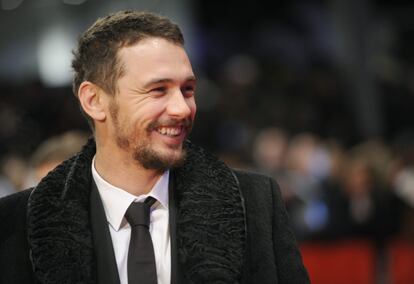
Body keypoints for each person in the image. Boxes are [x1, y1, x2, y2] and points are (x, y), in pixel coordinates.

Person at [0, 10, 309, 284]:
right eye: (158, 90)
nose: (183, 109)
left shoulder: (255, 203)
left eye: (187, 89)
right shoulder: (16, 223)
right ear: (94, 100)